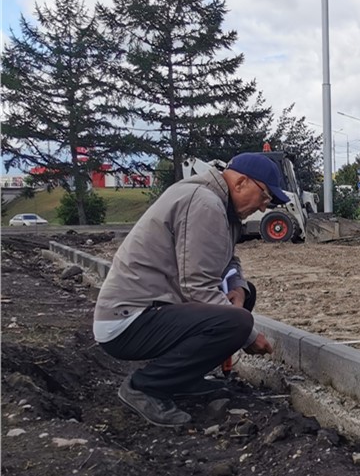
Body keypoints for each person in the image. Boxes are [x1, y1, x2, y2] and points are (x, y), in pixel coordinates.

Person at [93, 152, 283, 426]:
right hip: (128, 321)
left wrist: (238, 288)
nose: (264, 207)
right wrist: (248, 336)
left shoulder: (220, 205)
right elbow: (196, 286)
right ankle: (144, 387)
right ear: (242, 182)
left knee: (243, 299)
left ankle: (182, 379)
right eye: (264, 197)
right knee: (236, 323)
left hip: (154, 311)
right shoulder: (204, 203)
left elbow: (228, 259)